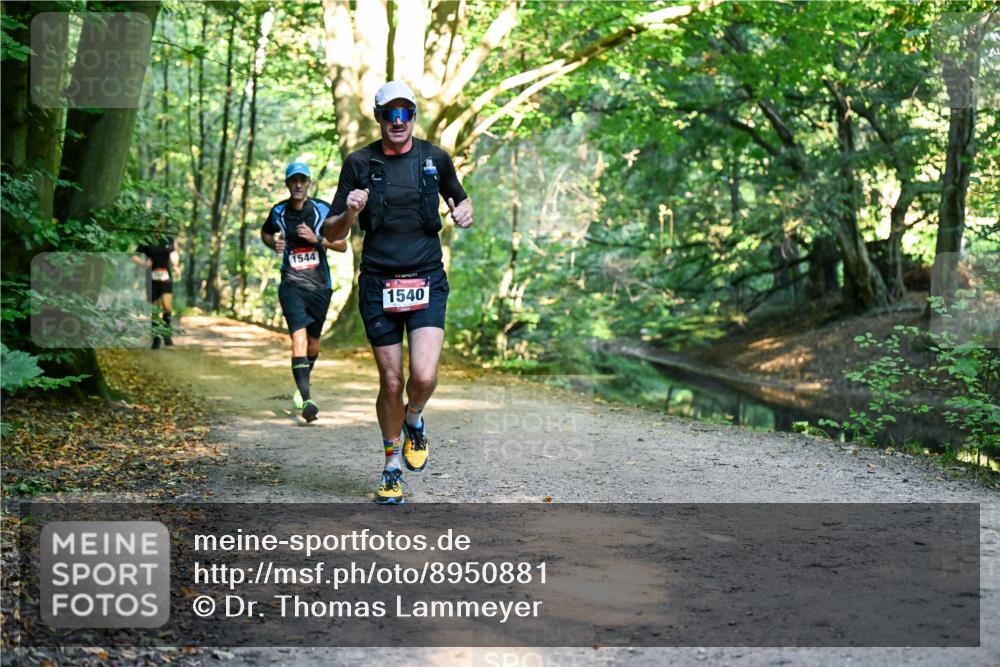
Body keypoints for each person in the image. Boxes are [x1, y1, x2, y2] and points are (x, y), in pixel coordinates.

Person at [323, 80, 473, 504]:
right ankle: (391, 469)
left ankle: (416, 418)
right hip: (378, 282)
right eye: (391, 113)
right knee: (390, 380)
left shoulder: (435, 159)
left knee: (422, 376)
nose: (398, 121)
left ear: (413, 118)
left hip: (425, 277)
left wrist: (464, 210)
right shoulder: (359, 163)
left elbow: (461, 201)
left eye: (405, 113)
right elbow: (329, 232)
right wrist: (349, 213)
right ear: (379, 117)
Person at [261, 162, 348, 422]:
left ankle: (303, 381)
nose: (298, 185)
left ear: (309, 183)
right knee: (298, 340)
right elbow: (266, 233)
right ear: (288, 184)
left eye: (302, 180)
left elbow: (342, 245)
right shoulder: (278, 211)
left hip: (320, 286)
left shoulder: (322, 210)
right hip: (291, 285)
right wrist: (273, 243)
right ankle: (307, 398)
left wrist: (316, 239)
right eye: (293, 181)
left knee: (313, 344)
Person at [135, 233, 180, 349]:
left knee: (167, 306)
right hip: (151, 278)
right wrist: (144, 264)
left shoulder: (168, 239)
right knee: (154, 310)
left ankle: (167, 335)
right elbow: (134, 256)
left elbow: (174, 253)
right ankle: (156, 338)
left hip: (166, 277)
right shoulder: (147, 239)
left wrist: (175, 265)